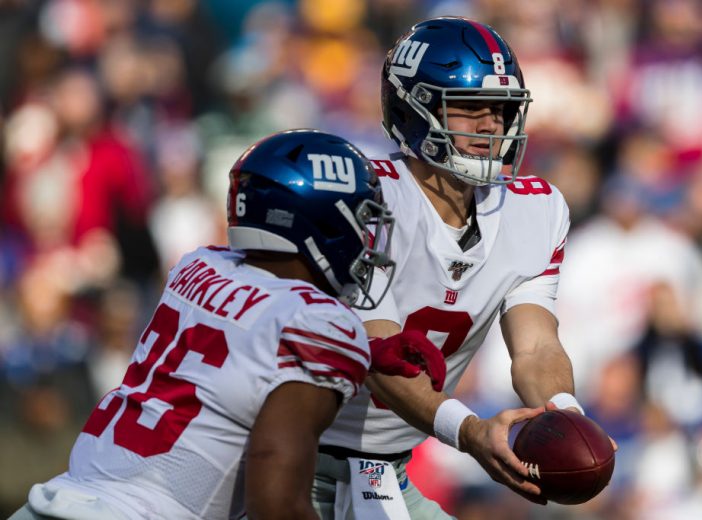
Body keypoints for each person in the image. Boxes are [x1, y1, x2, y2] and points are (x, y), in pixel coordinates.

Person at [9, 129, 446, 520]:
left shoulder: (197, 266)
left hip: (56, 499)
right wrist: (349, 347)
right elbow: (276, 506)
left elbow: (241, 346)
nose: (368, 242)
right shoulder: (323, 325)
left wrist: (366, 353)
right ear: (324, 223)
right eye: (361, 220)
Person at [312, 17, 604, 519]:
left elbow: (536, 346)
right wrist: (469, 433)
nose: (491, 125)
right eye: (469, 107)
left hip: (385, 475)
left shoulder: (535, 210)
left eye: (502, 109)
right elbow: (380, 356)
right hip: (290, 456)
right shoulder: (364, 199)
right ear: (412, 109)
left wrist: (565, 417)